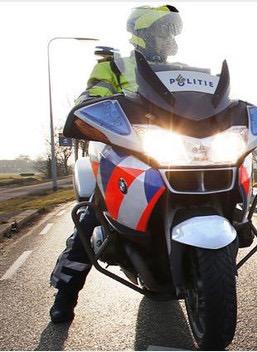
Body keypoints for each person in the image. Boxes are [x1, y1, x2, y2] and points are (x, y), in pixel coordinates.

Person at [49, 4, 182, 324]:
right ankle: (66, 293)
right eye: (164, 31)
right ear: (144, 34)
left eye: (172, 31)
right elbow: (89, 99)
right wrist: (91, 105)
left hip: (172, 151)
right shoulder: (114, 67)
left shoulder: (180, 72)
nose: (170, 38)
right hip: (123, 150)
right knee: (95, 213)